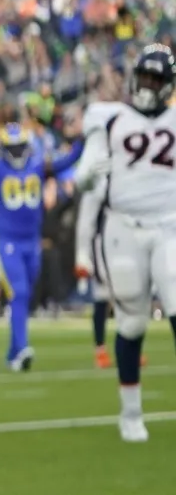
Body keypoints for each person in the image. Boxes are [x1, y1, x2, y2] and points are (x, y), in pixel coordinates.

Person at [74, 45, 176, 441]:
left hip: (169, 226)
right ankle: (130, 413)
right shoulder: (110, 118)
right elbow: (86, 176)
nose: (147, 86)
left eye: (155, 79)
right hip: (123, 227)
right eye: (144, 77)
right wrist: (86, 176)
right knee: (132, 320)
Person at [0, 116, 82, 369]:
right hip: (7, 241)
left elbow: (66, 161)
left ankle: (13, 354)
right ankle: (23, 348)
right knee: (19, 292)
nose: (17, 153)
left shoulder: (38, 167)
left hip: (31, 241)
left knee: (24, 296)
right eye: (12, 148)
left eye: (20, 147)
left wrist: (84, 139)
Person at [78, 92, 126, 368]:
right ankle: (100, 347)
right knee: (102, 296)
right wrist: (82, 254)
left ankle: (125, 344)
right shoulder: (98, 166)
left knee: (128, 295)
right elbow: (87, 216)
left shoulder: (122, 162)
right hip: (102, 241)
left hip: (125, 236)